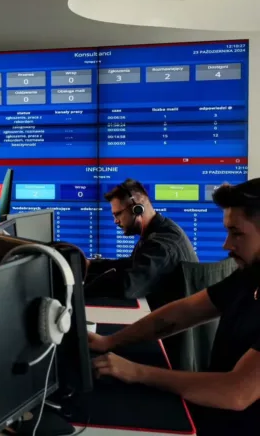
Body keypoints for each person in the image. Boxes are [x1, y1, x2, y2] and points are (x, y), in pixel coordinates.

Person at [88, 179, 260, 435]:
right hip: (211, 411)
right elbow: (183, 313)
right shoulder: (250, 275)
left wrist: (136, 372)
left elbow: (236, 392)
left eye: (236, 233)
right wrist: (110, 341)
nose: (226, 245)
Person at [85, 179, 197, 307]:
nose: (115, 221)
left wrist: (82, 290)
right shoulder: (159, 231)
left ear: (137, 209)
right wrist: (91, 266)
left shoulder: (162, 244)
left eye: (118, 214)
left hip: (173, 317)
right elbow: (132, 264)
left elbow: (129, 285)